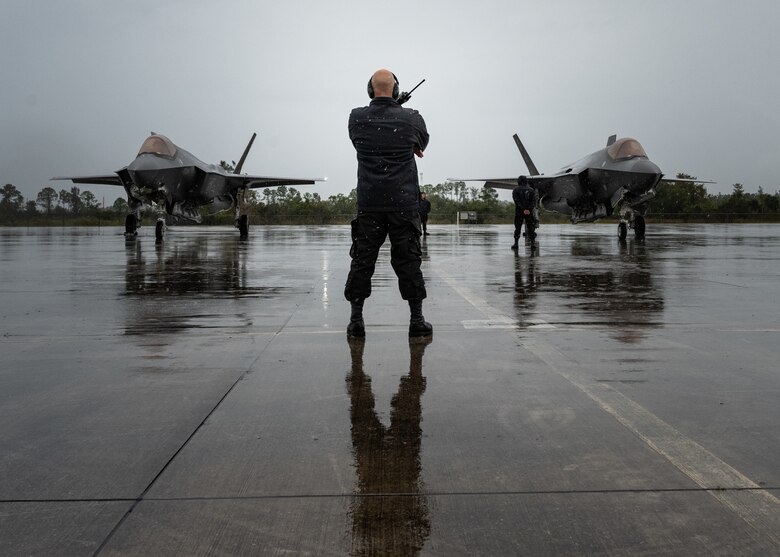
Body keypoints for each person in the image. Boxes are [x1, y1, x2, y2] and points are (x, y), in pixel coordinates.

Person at [344, 69, 432, 338]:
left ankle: (356, 321)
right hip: (403, 204)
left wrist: (391, 113)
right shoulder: (411, 118)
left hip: (370, 204)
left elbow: (367, 134)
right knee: (408, 261)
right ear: (396, 91)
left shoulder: (357, 118)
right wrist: (400, 115)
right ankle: (416, 321)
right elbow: (422, 142)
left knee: (362, 261)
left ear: (370, 91)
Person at [511, 175, 539, 250]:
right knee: (530, 228)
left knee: (517, 228)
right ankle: (533, 244)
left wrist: (523, 209)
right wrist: (528, 209)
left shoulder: (515, 190)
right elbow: (533, 202)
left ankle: (516, 244)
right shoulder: (531, 190)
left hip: (519, 212)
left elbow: (516, 201)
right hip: (529, 212)